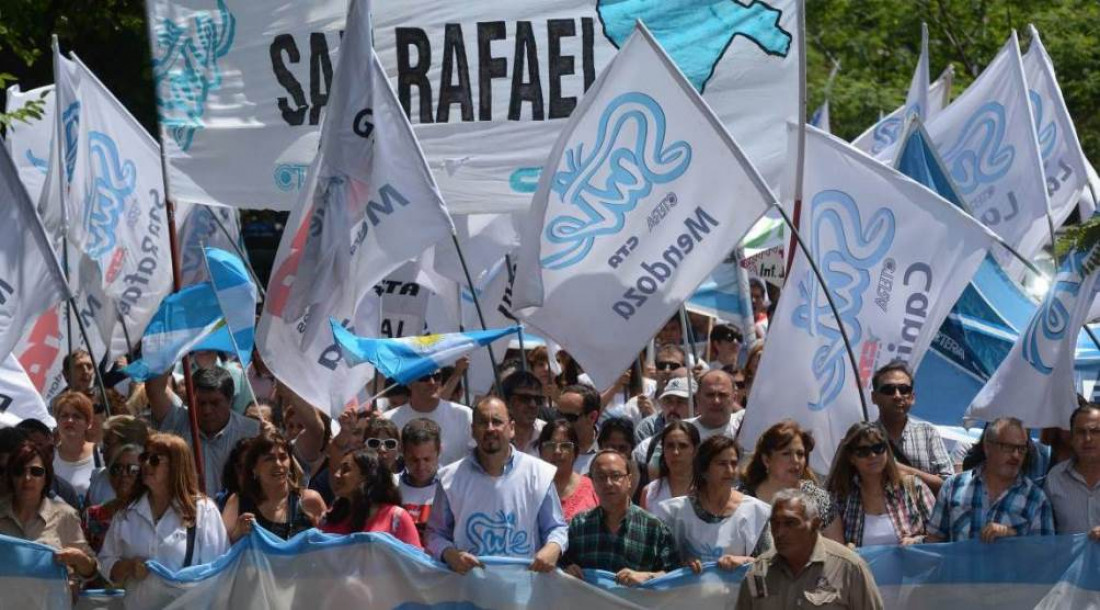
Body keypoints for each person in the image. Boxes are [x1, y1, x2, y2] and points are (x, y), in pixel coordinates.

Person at [426, 397, 568, 573]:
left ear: (512, 429)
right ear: (472, 430)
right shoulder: (450, 478)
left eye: (497, 422)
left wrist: (552, 548)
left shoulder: (539, 474)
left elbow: (557, 528)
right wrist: (449, 554)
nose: (490, 428)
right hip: (470, 590)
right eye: (483, 422)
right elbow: (435, 534)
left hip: (524, 590)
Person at [98, 433, 229, 583]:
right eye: (144, 457)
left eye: (155, 460)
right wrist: (128, 567)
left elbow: (217, 570)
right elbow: (105, 562)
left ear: (176, 465)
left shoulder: (203, 511)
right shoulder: (127, 512)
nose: (146, 464)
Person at [736, 488, 884, 610]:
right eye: (775, 523)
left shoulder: (848, 568)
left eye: (790, 523)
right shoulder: (759, 571)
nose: (779, 532)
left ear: (815, 525)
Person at [927, 417, 1054, 542]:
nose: (1016, 455)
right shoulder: (953, 487)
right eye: (1008, 447)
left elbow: (1045, 556)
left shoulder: (1036, 499)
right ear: (987, 447)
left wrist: (1014, 538)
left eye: (1021, 449)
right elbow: (934, 542)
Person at [561, 450, 679, 585]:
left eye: (615, 476)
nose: (608, 483)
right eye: (600, 477)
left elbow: (674, 575)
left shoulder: (654, 528)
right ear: (592, 482)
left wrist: (648, 576)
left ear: (629, 480)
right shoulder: (578, 525)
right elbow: (560, 565)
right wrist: (567, 570)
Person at [653, 436, 771, 572]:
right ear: (704, 469)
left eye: (733, 463)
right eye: (722, 464)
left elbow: (768, 565)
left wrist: (744, 561)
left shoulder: (757, 512)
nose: (730, 470)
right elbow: (660, 565)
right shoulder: (674, 512)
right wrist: (681, 565)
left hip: (738, 592)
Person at [152, 367, 262, 495]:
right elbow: (154, 390)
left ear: (230, 400)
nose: (207, 410)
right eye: (201, 403)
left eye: (215, 403)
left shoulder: (253, 433)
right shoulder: (177, 422)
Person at [0, 442, 98, 584]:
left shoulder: (65, 515)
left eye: (36, 472)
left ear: (46, 477)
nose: (27, 478)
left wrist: (80, 560)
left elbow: (90, 571)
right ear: (11, 476)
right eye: (19, 471)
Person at [825, 422, 936, 547]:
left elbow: (940, 537)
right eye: (863, 451)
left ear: (887, 451)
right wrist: (847, 551)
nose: (872, 456)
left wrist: (916, 541)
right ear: (851, 458)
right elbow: (834, 550)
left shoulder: (914, 487)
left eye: (878, 448)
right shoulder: (839, 496)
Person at [740, 420, 843, 542]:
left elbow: (838, 552)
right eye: (786, 454)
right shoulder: (743, 499)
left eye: (800, 454)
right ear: (766, 460)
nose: (795, 460)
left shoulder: (820, 500)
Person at [223, 433, 325, 542]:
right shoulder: (238, 502)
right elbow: (220, 550)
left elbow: (331, 548)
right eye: (269, 459)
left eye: (283, 457)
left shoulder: (310, 501)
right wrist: (237, 534)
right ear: (254, 468)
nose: (278, 464)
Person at [871, 362, 952, 494]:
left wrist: (897, 468)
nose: (897, 395)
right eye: (888, 390)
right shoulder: (864, 437)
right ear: (874, 397)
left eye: (904, 389)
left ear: (912, 397)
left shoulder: (927, 433)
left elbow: (947, 485)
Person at [319, 450, 420, 548]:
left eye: (346, 469)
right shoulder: (331, 516)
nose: (336, 475)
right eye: (338, 469)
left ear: (366, 476)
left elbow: (416, 562)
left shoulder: (396, 518)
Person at [381, 370, 472, 467]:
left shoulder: (464, 415)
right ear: (409, 383)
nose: (432, 382)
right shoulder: (389, 420)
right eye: (424, 378)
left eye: (437, 376)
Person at [1045, 404, 1100, 537]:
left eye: (1095, 431)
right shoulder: (1055, 478)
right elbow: (1043, 533)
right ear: (1072, 439)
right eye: (1081, 432)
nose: (1088, 439)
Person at [83, 443, 143, 553]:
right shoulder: (92, 516)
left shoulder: (152, 516)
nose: (124, 474)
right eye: (117, 468)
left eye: (133, 470)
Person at [538, 419, 598, 522]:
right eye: (550, 445)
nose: (557, 451)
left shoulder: (593, 489)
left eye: (565, 446)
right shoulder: (529, 490)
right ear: (540, 451)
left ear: (575, 452)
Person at [15, 419, 81, 508]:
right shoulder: (5, 487)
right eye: (37, 450)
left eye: (50, 449)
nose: (46, 456)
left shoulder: (64, 492)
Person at [86, 415, 149, 507]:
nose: (102, 450)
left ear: (129, 445)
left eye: (108, 444)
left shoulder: (149, 482)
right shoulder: (98, 479)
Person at [52, 391, 103, 503]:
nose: (70, 420)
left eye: (77, 416)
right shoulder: (48, 458)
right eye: (64, 416)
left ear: (88, 423)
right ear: (57, 421)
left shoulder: (101, 455)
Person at [398, 418, 442, 546]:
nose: (421, 467)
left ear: (439, 451)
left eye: (427, 459)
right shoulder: (392, 487)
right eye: (414, 460)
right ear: (403, 453)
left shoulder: (451, 486)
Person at [640, 421, 699, 510]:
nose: (675, 452)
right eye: (670, 446)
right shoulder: (650, 493)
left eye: (683, 446)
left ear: (695, 450)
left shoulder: (709, 490)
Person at [685, 370, 745, 443]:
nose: (716, 401)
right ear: (698, 398)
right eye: (710, 395)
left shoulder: (745, 422)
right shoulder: (684, 432)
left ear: (734, 398)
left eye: (722, 395)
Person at [634, 375, 694, 445]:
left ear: (696, 405)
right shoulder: (648, 428)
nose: (672, 407)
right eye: (668, 401)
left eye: (680, 402)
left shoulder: (704, 426)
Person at [556, 385, 601, 474]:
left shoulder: (608, 447)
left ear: (592, 417)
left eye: (570, 417)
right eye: (558, 415)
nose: (562, 423)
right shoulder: (546, 448)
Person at [502, 371, 547, 456]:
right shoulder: (494, 433)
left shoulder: (548, 435)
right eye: (525, 399)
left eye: (537, 399)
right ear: (507, 402)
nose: (533, 405)